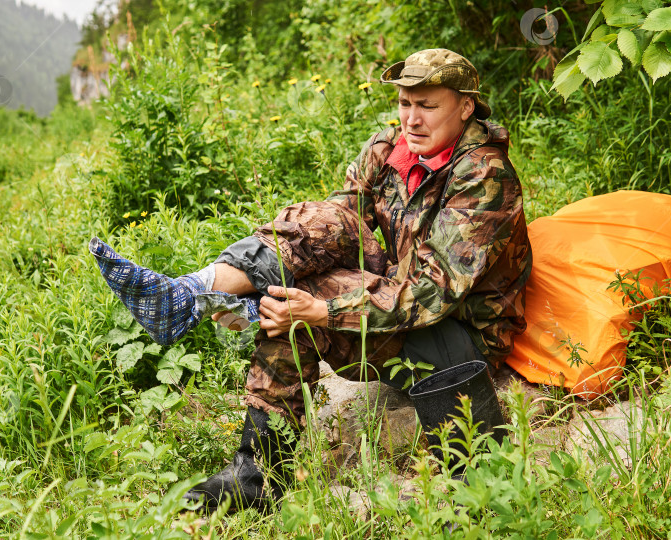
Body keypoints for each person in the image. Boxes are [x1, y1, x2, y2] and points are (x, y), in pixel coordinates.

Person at [89, 48, 532, 512]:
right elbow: (333, 232)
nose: (411, 119)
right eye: (404, 103)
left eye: (427, 105)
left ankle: (255, 470)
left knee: (302, 304)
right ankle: (191, 294)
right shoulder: (388, 150)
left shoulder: (485, 175)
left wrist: (322, 311)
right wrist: (283, 291)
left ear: (465, 106)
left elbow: (434, 293)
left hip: (457, 335)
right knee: (325, 222)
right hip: (396, 296)